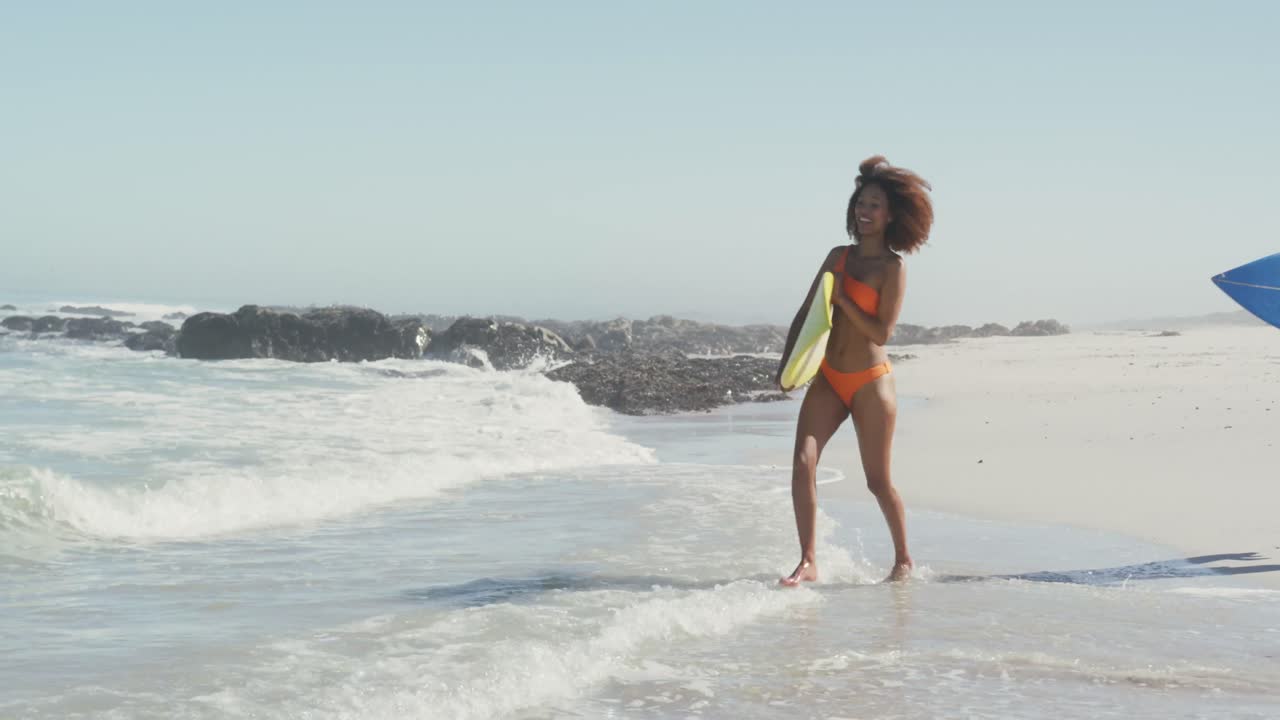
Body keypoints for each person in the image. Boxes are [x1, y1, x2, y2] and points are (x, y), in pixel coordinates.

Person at [775, 155, 934, 585]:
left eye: (874, 206)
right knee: (803, 463)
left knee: (878, 482)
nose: (864, 213)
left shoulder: (892, 269)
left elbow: (882, 332)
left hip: (870, 383)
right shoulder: (837, 256)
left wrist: (844, 302)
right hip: (829, 376)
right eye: (860, 204)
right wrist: (787, 365)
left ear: (891, 215)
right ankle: (808, 561)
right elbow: (808, 310)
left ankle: (903, 559)